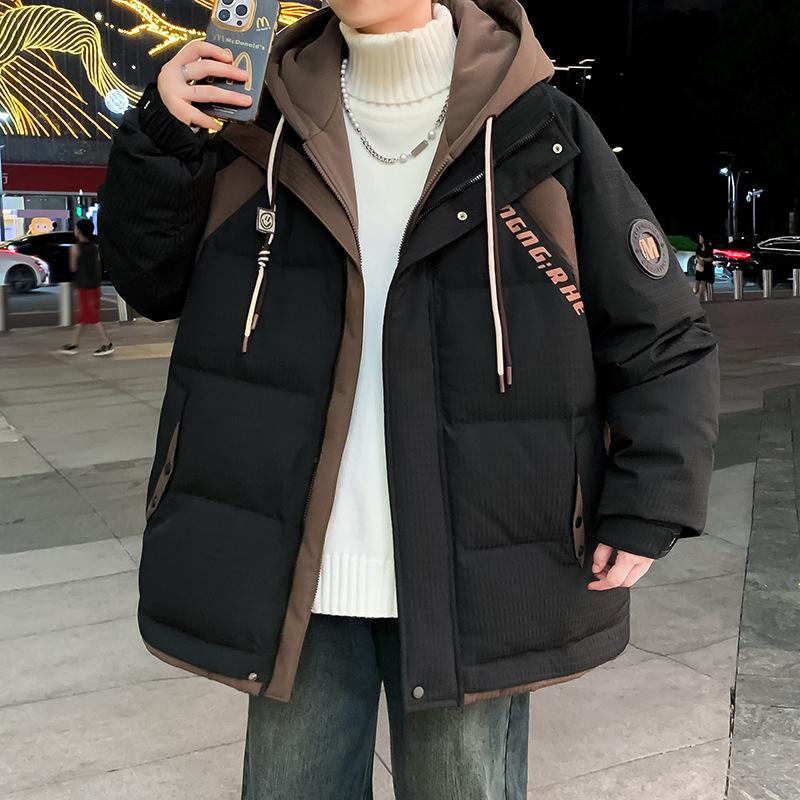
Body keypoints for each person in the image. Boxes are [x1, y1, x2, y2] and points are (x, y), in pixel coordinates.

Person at [99, 1, 720, 797]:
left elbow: (659, 332)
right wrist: (164, 136)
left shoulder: (537, 126)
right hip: (299, 574)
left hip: (479, 571)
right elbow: (149, 281)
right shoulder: (258, 119)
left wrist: (652, 499)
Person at [60, 219, 114, 356]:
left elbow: (73, 267)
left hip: (84, 286)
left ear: (78, 231)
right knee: (84, 316)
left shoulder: (74, 248)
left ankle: (107, 343)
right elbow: (98, 267)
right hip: (94, 286)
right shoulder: (95, 247)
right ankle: (73, 344)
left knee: (92, 316)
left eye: (75, 228)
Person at [694, 233, 715, 302]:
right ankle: (695, 294)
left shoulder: (709, 246)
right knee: (697, 282)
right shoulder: (699, 246)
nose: (700, 239)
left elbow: (711, 258)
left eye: (701, 238)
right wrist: (699, 260)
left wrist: (703, 259)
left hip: (706, 267)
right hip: (699, 267)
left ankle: (700, 297)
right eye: (699, 238)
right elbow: (697, 255)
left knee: (703, 282)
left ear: (704, 238)